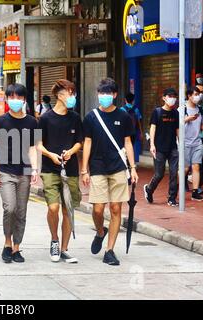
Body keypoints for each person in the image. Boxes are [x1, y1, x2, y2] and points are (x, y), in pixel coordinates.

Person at [81, 78, 138, 266]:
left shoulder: (124, 116)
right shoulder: (91, 117)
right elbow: (87, 142)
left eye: (108, 93)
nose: (104, 97)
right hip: (97, 167)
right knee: (98, 209)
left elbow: (128, 142)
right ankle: (100, 231)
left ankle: (110, 250)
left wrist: (133, 168)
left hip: (118, 168)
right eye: (101, 93)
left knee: (115, 208)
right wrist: (84, 170)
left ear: (114, 95)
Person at [0, 83, 39, 263]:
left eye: (19, 98)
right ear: (7, 99)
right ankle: (7, 243)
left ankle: (17, 247)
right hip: (5, 171)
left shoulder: (31, 122)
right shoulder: (0, 121)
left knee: (21, 211)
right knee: (9, 208)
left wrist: (34, 169)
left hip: (25, 172)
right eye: (12, 97)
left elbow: (33, 148)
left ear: (24, 100)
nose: (15, 101)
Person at [37, 79, 83, 263]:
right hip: (50, 169)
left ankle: (64, 248)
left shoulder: (75, 118)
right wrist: (51, 155)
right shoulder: (45, 118)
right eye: (68, 93)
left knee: (68, 210)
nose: (72, 96)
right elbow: (38, 144)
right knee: (53, 207)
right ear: (59, 95)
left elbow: (79, 141)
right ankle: (54, 240)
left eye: (73, 93)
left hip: (70, 170)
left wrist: (71, 152)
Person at [144, 88, 180, 207]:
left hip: (173, 148)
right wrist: (152, 145)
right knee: (159, 174)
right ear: (164, 98)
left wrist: (180, 144)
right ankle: (149, 189)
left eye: (174, 96)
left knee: (174, 173)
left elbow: (177, 130)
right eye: (170, 96)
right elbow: (152, 128)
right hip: (159, 148)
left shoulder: (176, 113)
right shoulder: (157, 112)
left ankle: (172, 198)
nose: (172, 99)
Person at [181, 87, 203, 201]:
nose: (198, 96)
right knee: (185, 169)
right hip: (185, 143)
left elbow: (202, 124)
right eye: (196, 94)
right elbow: (177, 126)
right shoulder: (182, 109)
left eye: (199, 94)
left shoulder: (200, 109)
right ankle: (174, 188)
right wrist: (187, 119)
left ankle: (195, 192)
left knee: (196, 166)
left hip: (197, 143)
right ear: (189, 96)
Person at [121, 93, 143, 163]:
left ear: (125, 100)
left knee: (123, 146)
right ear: (133, 100)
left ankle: (125, 162)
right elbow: (139, 122)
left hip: (123, 133)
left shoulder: (122, 109)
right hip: (133, 132)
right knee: (131, 146)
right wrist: (141, 132)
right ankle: (130, 163)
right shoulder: (136, 110)